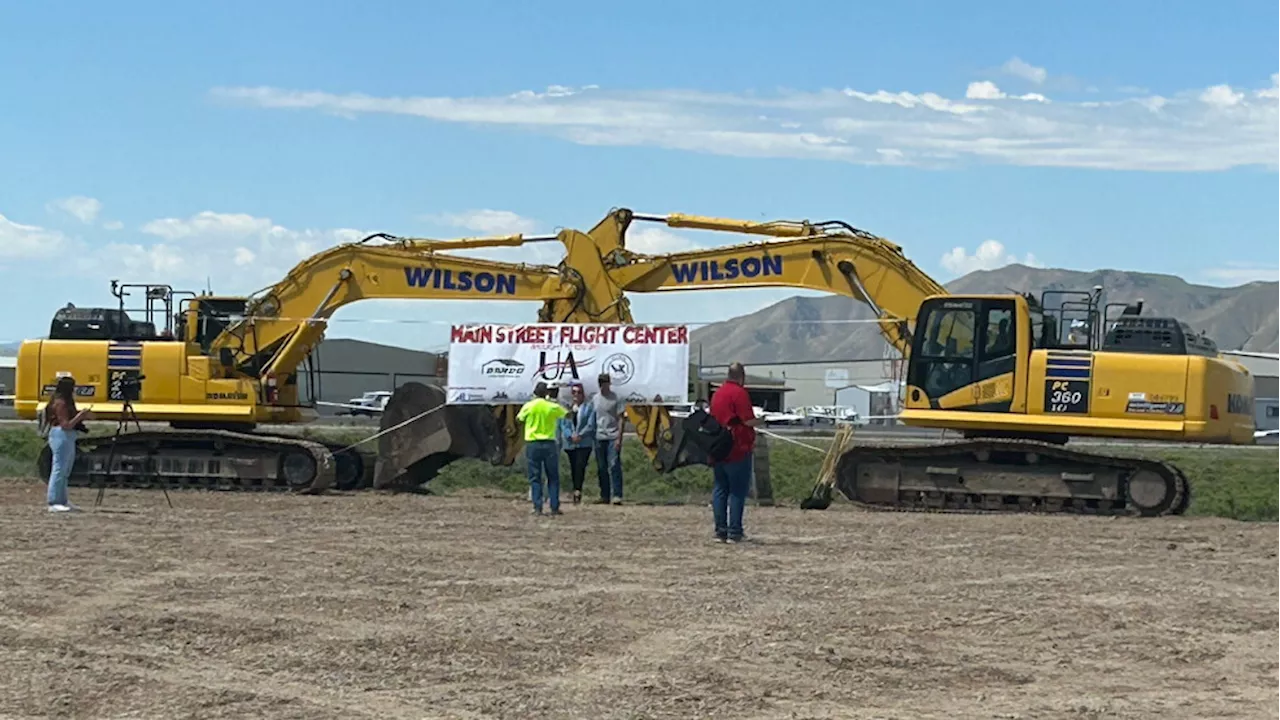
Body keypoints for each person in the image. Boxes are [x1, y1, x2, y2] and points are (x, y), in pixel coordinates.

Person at [708, 362, 760, 543]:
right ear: (741, 376)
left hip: (718, 446)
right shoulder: (739, 393)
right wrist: (761, 421)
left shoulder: (717, 394)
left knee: (720, 488)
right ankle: (734, 531)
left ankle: (720, 530)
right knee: (737, 491)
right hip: (737, 447)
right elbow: (747, 420)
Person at [42, 376, 93, 513]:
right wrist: (80, 416)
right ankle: (54, 501)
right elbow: (66, 425)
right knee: (59, 468)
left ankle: (62, 500)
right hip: (61, 435)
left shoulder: (63, 402)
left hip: (65, 436)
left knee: (65, 469)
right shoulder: (61, 403)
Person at [516, 381, 567, 516]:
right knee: (553, 476)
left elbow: (519, 419)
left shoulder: (529, 406)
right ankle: (554, 506)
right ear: (546, 394)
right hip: (549, 443)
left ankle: (537, 507)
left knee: (535, 476)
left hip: (533, 443)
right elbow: (567, 415)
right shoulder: (552, 407)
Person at [556, 380, 596, 505]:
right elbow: (563, 424)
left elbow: (591, 424)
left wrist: (580, 435)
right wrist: (569, 435)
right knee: (573, 467)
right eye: (574, 392)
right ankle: (575, 489)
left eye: (578, 392)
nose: (576, 395)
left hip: (584, 443)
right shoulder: (567, 408)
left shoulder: (588, 407)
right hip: (570, 443)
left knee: (580, 466)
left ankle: (578, 490)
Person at [591, 372, 625, 505]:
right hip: (599, 436)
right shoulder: (595, 399)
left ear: (609, 384)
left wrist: (619, 438)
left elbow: (622, 419)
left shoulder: (617, 398)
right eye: (600, 383)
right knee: (601, 467)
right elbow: (593, 418)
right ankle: (604, 495)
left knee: (614, 465)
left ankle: (617, 494)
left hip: (613, 435)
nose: (602, 385)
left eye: (604, 383)